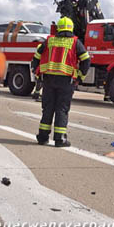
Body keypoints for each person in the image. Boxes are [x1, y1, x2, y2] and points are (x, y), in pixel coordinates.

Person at [31, 17, 91, 147]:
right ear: (71, 28)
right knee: (62, 109)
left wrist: (36, 72)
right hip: (66, 81)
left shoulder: (49, 40)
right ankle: (59, 139)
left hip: (48, 80)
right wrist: (80, 76)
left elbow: (36, 56)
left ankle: (42, 137)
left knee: (47, 108)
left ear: (58, 28)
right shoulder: (75, 42)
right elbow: (86, 60)